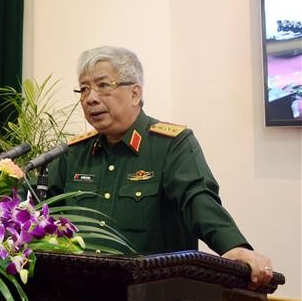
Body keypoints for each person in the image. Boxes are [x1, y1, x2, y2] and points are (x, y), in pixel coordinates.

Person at [47, 45, 273, 289]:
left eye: (103, 85)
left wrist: (234, 247)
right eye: (84, 88)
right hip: (77, 290)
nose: (90, 98)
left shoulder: (171, 145)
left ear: (135, 94)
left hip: (152, 292)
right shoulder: (72, 154)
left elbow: (198, 200)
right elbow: (46, 221)